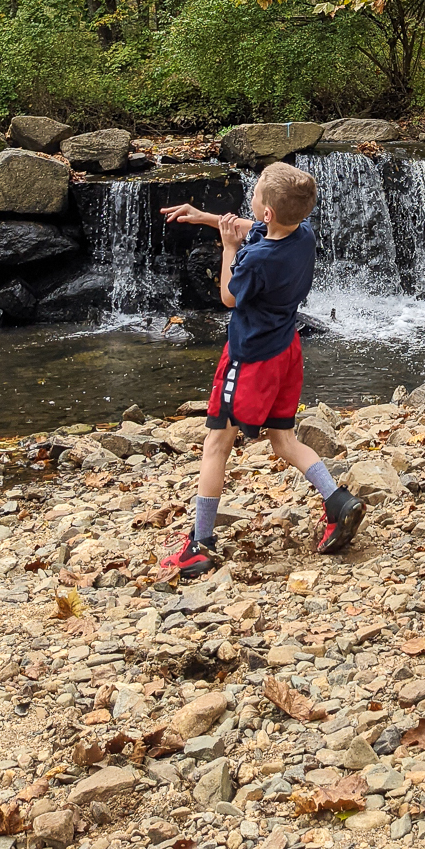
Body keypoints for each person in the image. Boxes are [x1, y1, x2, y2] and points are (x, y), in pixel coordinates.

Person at [156, 162, 364, 575]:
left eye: (255, 197)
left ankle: (200, 543)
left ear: (267, 212)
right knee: (283, 440)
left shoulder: (255, 260)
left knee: (216, 442)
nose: (249, 202)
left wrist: (227, 246)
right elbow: (258, 227)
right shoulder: (302, 234)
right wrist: (204, 217)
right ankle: (338, 501)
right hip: (286, 349)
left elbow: (230, 298)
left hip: (250, 359)